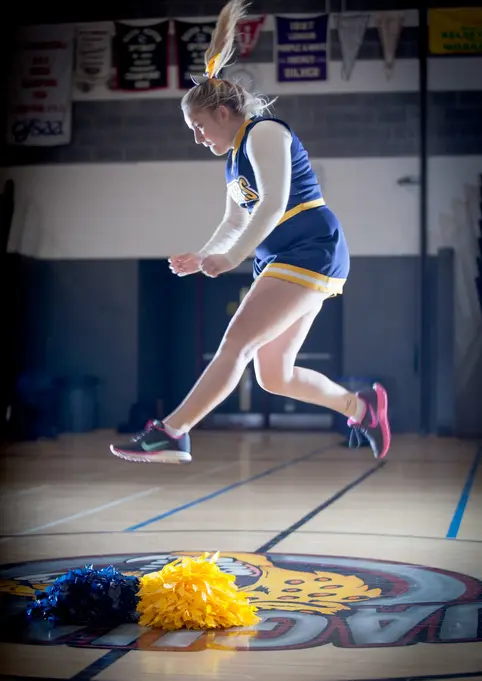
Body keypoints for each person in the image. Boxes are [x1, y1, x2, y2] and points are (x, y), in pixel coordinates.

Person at [110, 0, 391, 465]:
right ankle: (362, 408)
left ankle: (172, 432)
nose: (197, 138)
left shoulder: (264, 134)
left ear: (222, 112)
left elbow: (277, 204)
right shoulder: (233, 159)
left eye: (197, 126)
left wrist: (234, 256)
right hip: (285, 255)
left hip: (310, 248)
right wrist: (204, 256)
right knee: (273, 376)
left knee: (236, 344)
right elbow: (236, 221)